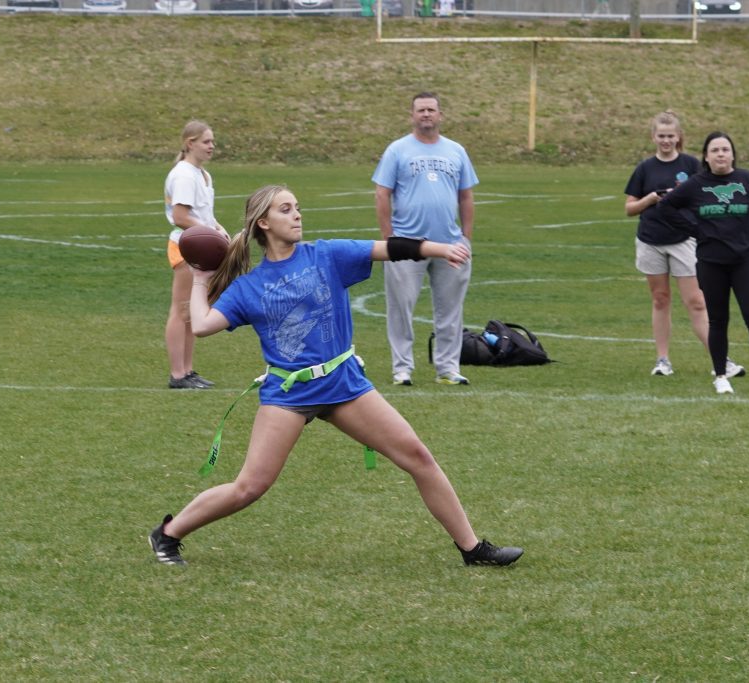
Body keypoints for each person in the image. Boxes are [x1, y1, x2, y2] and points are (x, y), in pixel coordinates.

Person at [148, 184, 523, 568]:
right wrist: (199, 277)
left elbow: (389, 248)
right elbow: (203, 325)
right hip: (289, 395)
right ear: (263, 222)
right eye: (285, 209)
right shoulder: (251, 287)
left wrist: (440, 248)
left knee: (418, 458)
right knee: (249, 487)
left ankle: (473, 549)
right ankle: (169, 533)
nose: (297, 215)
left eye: (297, 207)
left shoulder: (325, 255)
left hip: (344, 384)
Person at [658, 131, 749, 396]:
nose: (720, 154)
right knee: (718, 320)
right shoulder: (696, 184)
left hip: (745, 260)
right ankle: (720, 375)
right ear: (706, 156)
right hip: (711, 262)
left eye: (725, 149)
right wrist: (694, 228)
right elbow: (666, 207)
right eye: (715, 150)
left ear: (733, 154)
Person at [624, 111, 745, 380]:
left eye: (671, 136)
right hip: (651, 241)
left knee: (697, 302)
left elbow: (708, 195)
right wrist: (651, 200)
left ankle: (720, 360)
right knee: (660, 299)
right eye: (661, 136)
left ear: (679, 137)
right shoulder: (645, 168)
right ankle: (662, 359)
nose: (666, 140)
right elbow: (629, 208)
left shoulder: (692, 165)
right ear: (653, 137)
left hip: (685, 241)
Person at [373, 91, 478, 386]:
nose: (426, 114)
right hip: (407, 244)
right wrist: (388, 237)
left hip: (450, 244)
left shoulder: (456, 150)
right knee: (400, 308)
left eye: (431, 109)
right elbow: (382, 193)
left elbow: (466, 195)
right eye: (421, 110)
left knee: (450, 309)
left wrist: (466, 236)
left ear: (440, 115)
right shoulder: (397, 150)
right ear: (412, 116)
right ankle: (402, 368)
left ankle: (448, 368)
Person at [163, 120, 228, 389]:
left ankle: (187, 371)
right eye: (206, 142)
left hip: (199, 247)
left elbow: (203, 215)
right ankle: (178, 374)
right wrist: (209, 232)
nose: (212, 146)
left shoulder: (202, 174)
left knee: (192, 311)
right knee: (181, 310)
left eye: (212, 141)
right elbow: (180, 217)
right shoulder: (184, 175)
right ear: (191, 144)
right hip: (186, 247)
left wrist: (218, 229)